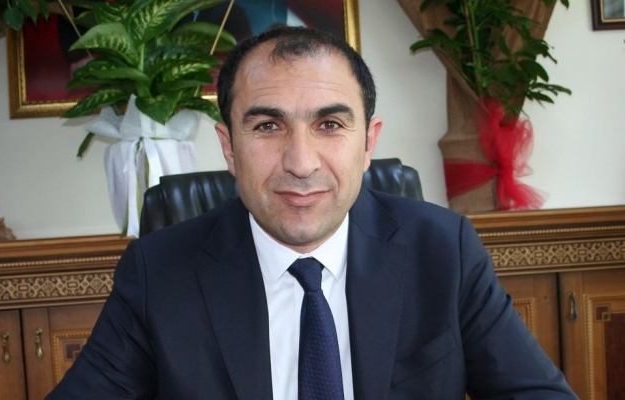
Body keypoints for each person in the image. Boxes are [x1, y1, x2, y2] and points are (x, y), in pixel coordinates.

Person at [45, 27, 578, 399]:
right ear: (228, 147)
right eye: (267, 126)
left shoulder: (444, 252)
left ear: (368, 143)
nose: (300, 163)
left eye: (329, 125)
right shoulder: (159, 274)